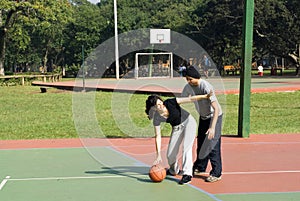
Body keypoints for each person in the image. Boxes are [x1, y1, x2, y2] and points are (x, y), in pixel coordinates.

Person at [145, 92, 211, 185]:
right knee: (170, 154)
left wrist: (205, 96)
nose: (161, 106)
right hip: (177, 127)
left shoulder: (170, 102)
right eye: (158, 105)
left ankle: (187, 174)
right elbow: (158, 136)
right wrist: (158, 155)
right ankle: (173, 170)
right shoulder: (157, 117)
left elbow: (189, 99)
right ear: (154, 108)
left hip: (189, 122)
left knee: (186, 148)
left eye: (161, 103)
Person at [181, 65, 223, 183]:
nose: (188, 81)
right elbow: (183, 98)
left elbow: (216, 109)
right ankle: (200, 167)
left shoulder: (206, 86)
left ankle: (216, 173)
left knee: (212, 145)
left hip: (214, 117)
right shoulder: (189, 86)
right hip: (203, 117)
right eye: (187, 79)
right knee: (201, 143)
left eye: (190, 79)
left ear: (196, 77)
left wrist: (212, 127)